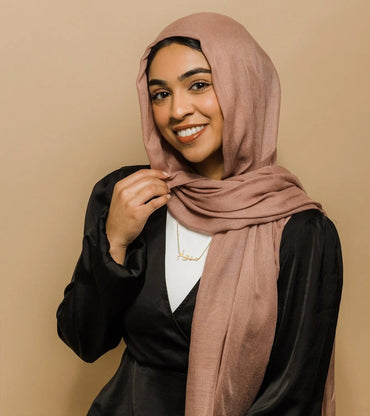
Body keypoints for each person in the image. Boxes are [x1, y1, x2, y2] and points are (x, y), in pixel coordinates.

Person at [57, 12, 342, 416]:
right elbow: (83, 339)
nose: (177, 111)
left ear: (244, 87)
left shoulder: (301, 231)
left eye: (199, 85)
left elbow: (293, 396)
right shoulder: (127, 196)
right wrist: (114, 242)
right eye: (160, 94)